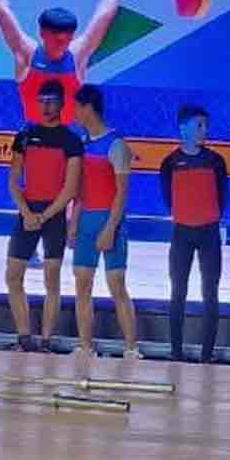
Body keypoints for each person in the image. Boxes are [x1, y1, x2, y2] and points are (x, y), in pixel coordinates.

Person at [0, 0, 130, 124]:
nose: (62, 44)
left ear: (72, 37)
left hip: (68, 134)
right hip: (34, 133)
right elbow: (1, 9)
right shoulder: (27, 52)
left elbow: (105, 14)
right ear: (42, 34)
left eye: (66, 39)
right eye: (56, 38)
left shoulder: (77, 54)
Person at [7, 79, 83, 352]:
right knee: (13, 276)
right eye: (41, 101)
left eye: (51, 101)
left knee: (52, 280)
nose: (46, 106)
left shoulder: (71, 141)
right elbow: (14, 181)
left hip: (54, 216)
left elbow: (71, 188)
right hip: (27, 214)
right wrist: (27, 212)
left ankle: (47, 341)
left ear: (62, 104)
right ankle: (24, 338)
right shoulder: (25, 136)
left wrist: (44, 216)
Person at [69, 84, 143, 360]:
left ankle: (131, 348)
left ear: (88, 108)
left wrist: (110, 229)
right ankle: (86, 346)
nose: (74, 114)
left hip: (110, 221)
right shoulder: (82, 144)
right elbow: (80, 190)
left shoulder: (116, 145)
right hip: (86, 221)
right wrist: (73, 223)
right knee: (82, 284)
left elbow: (122, 193)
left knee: (116, 285)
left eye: (77, 108)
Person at [159, 104, 228, 363]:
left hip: (209, 233)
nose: (204, 130)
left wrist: (207, 217)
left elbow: (222, 196)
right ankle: (176, 352)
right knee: (178, 291)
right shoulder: (169, 163)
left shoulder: (216, 161)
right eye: (199, 125)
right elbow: (169, 198)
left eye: (206, 125)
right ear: (183, 128)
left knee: (210, 292)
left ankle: (206, 355)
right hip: (182, 234)